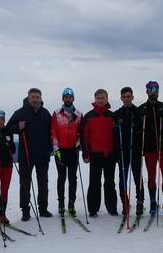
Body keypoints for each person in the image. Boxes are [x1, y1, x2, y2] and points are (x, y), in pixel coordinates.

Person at [6, 88, 53, 221]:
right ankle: (25, 210)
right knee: (25, 183)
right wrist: (18, 128)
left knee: (43, 182)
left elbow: (52, 131)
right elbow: (8, 128)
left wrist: (50, 149)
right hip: (26, 154)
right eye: (32, 97)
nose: (35, 99)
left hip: (43, 155)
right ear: (28, 98)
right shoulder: (20, 113)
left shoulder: (45, 113)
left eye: (37, 97)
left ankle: (43, 208)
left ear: (40, 98)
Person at [79, 89, 118, 217]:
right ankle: (93, 209)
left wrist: (117, 153)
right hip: (95, 155)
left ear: (107, 99)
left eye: (103, 98)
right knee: (94, 183)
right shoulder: (89, 116)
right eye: (98, 98)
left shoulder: (112, 116)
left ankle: (112, 208)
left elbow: (116, 136)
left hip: (110, 155)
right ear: (95, 99)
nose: (100, 100)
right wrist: (85, 153)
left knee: (110, 182)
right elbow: (83, 136)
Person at [138, 81, 163, 218]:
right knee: (151, 176)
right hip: (149, 148)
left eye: (156, 89)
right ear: (146, 91)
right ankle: (152, 201)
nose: (153, 91)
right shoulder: (142, 109)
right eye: (151, 89)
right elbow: (138, 129)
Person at [50, 88, 83, 216]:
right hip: (60, 151)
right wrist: (56, 149)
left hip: (73, 151)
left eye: (70, 97)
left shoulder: (79, 114)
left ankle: (71, 204)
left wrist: (79, 144)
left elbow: (81, 132)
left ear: (73, 99)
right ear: (63, 98)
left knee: (73, 179)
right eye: (66, 97)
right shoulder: (57, 113)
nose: (68, 99)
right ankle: (61, 205)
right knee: (61, 178)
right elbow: (53, 133)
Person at [114, 86, 145, 217]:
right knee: (123, 179)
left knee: (138, 177)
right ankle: (125, 203)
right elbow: (114, 134)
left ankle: (139, 202)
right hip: (122, 152)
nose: (126, 99)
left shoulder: (138, 112)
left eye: (129, 96)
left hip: (135, 151)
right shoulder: (117, 114)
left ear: (132, 97)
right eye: (124, 97)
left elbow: (143, 131)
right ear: (121, 98)